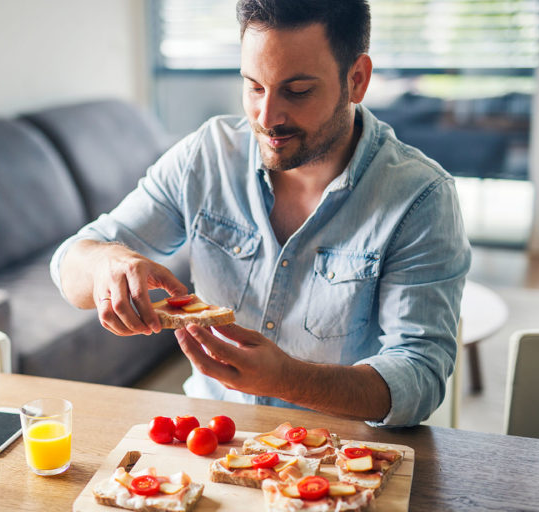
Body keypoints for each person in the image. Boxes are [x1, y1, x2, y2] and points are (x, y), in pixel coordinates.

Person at [51, 0, 470, 427]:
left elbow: (421, 376)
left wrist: (289, 380)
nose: (267, 117)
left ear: (357, 79)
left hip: (336, 461)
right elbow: (70, 265)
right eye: (254, 86)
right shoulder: (206, 156)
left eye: (298, 91)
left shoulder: (421, 197)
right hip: (210, 437)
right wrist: (108, 263)